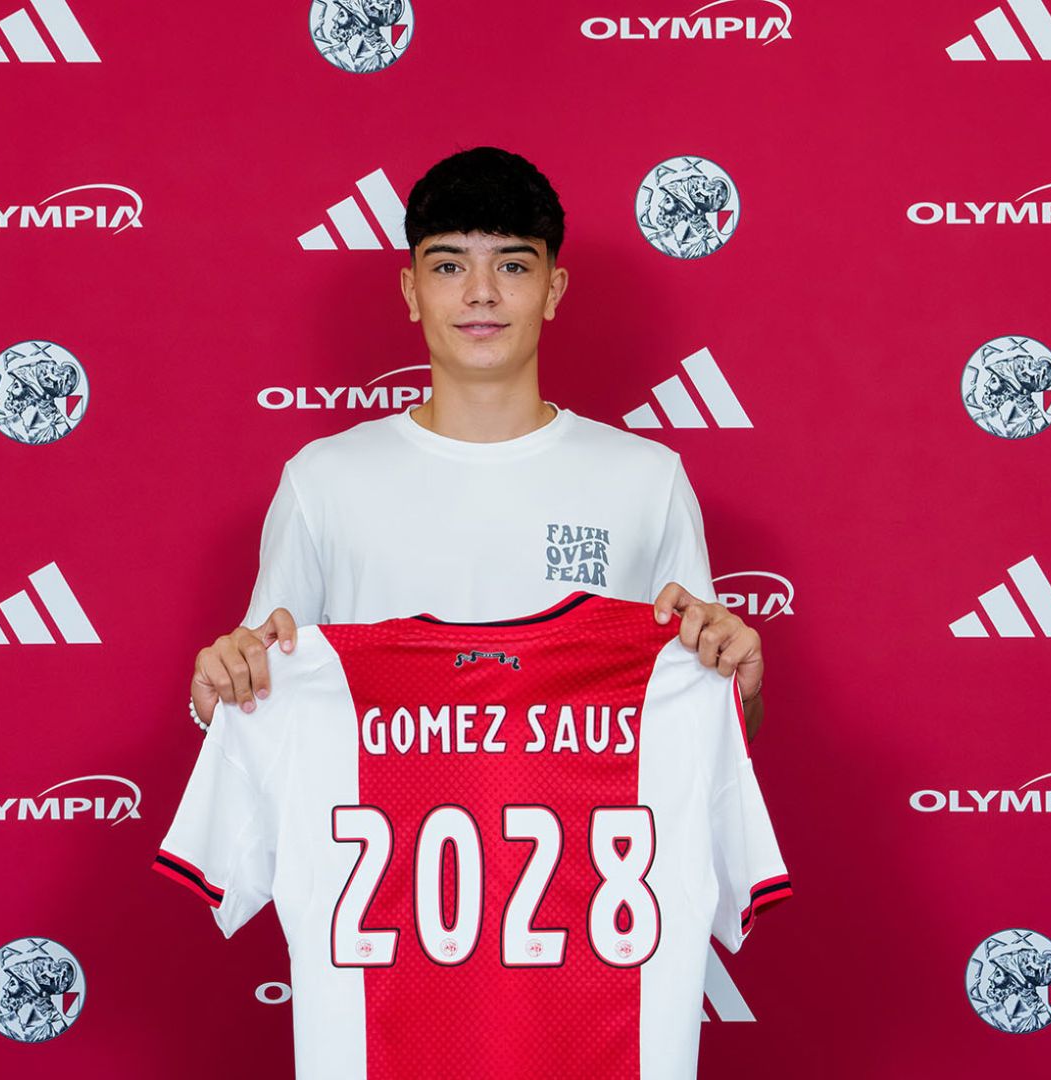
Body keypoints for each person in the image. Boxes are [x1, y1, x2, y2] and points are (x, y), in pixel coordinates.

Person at [189, 146, 765, 740]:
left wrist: (737, 688)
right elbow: (260, 695)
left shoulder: (646, 478)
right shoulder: (324, 479)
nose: (482, 292)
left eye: (513, 266)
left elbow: (703, 716)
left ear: (554, 288)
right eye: (449, 266)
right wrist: (220, 689)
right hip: (378, 824)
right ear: (411, 292)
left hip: (591, 827)